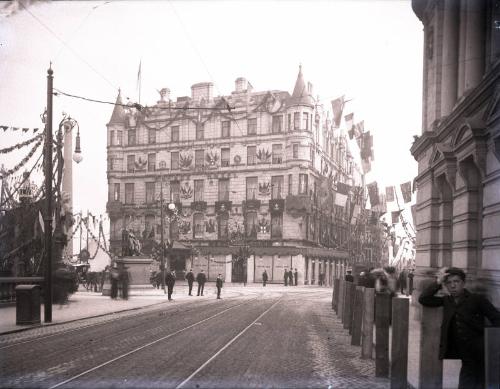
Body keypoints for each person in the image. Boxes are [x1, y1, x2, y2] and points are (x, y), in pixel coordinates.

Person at [419, 267, 500, 389]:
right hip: (464, 351)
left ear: (463, 283)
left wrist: (490, 342)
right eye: (449, 283)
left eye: (456, 282)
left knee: (481, 380)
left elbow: (496, 318)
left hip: (480, 349)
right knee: (469, 379)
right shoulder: (447, 300)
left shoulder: (477, 299)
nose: (452, 286)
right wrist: (438, 281)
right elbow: (424, 299)